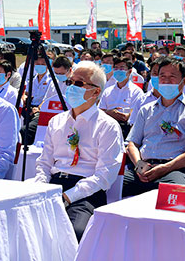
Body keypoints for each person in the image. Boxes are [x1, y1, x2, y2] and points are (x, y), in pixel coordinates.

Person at [33, 61, 123, 241]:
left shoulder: (107, 126)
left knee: (74, 233)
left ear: (96, 91)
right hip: (54, 185)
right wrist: (41, 187)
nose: (72, 88)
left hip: (86, 193)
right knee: (25, 226)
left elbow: (104, 175)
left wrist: (68, 196)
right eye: (70, 82)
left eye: (79, 83)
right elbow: (44, 163)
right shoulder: (56, 121)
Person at [123, 57, 185, 198]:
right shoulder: (146, 110)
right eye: (162, 77)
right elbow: (132, 143)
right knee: (111, 190)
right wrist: (139, 165)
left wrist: (166, 168)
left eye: (172, 77)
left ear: (184, 81)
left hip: (173, 169)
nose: (166, 81)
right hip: (142, 167)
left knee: (177, 198)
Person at [99, 57, 143, 138]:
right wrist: (110, 113)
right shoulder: (107, 91)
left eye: (122, 68)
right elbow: (100, 110)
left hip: (126, 128)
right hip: (107, 127)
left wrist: (126, 116)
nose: (118, 71)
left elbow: (135, 113)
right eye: (116, 68)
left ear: (129, 71)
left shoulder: (136, 91)